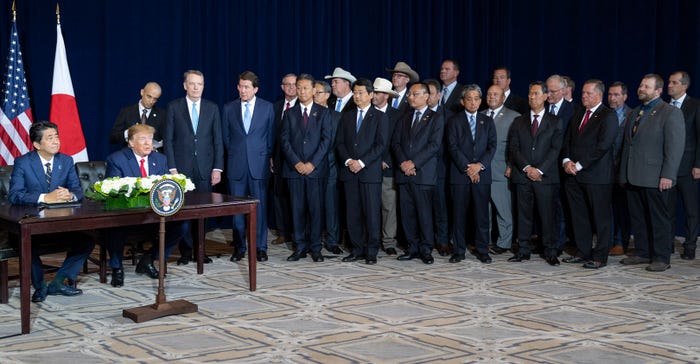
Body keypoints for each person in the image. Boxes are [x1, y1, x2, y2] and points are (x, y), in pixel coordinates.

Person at [9, 121, 95, 303]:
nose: (56, 141)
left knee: (86, 241)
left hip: (58, 225)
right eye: (50, 138)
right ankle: (39, 287)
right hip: (30, 224)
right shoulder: (23, 163)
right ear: (37, 144)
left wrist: (70, 194)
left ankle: (58, 282)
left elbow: (78, 190)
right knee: (27, 245)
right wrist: (44, 197)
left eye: (57, 136)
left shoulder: (66, 160)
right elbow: (15, 195)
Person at [105, 124, 188, 285]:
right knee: (114, 226)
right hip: (127, 215)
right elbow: (113, 191)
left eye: (150, 139)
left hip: (154, 215)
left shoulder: (160, 159)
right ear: (131, 143)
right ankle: (117, 268)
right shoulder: (117, 159)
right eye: (142, 139)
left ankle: (149, 258)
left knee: (182, 225)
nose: (148, 143)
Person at [619, 73, 684, 272]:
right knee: (638, 218)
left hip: (656, 177)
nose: (641, 89)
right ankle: (642, 252)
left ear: (658, 91)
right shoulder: (635, 112)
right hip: (633, 175)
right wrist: (623, 173)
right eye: (640, 85)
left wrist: (669, 175)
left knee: (659, 219)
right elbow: (627, 146)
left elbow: (675, 147)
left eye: (646, 86)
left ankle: (661, 257)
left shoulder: (669, 112)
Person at [164, 70, 223, 263]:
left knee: (202, 212)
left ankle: (201, 250)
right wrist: (172, 167)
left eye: (200, 84)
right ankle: (186, 251)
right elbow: (169, 140)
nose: (196, 87)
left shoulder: (212, 108)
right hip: (181, 169)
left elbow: (217, 141)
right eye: (192, 83)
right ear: (185, 86)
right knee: (183, 212)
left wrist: (217, 168)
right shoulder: (174, 107)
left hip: (205, 168)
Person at [560, 80, 618, 269]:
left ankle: (600, 256)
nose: (583, 96)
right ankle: (583, 251)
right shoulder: (578, 114)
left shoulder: (608, 115)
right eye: (583, 93)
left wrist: (579, 164)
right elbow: (567, 140)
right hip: (574, 176)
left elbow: (603, 146)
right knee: (579, 216)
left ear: (599, 95)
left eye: (588, 93)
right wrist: (566, 161)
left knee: (600, 218)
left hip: (597, 177)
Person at [508, 81, 563, 266]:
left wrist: (539, 170)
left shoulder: (555, 121)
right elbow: (514, 149)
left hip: (545, 178)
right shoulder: (518, 121)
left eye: (536, 94)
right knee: (523, 215)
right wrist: (527, 168)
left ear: (546, 96)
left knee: (547, 216)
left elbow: (555, 149)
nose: (532, 97)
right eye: (530, 94)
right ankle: (523, 250)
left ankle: (550, 251)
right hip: (523, 176)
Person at [222, 71, 275, 263]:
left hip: (259, 166)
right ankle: (239, 247)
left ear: (255, 89)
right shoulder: (228, 108)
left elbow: (270, 138)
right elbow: (226, 138)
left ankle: (260, 247)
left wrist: (265, 157)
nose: (242, 90)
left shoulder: (267, 108)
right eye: (240, 86)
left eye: (246, 87)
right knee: (237, 209)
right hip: (236, 166)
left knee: (259, 209)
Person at [336, 78, 389, 265]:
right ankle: (356, 249)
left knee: (372, 213)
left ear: (371, 94)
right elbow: (340, 143)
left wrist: (362, 162)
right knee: (353, 213)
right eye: (355, 92)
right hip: (350, 172)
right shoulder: (347, 115)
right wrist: (349, 161)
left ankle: (371, 251)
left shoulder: (380, 117)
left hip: (369, 173)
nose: (357, 96)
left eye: (361, 93)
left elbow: (381, 144)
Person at [280, 74, 332, 262]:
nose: (301, 91)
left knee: (316, 210)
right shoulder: (289, 113)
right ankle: (300, 246)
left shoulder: (323, 112)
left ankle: (316, 248)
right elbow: (284, 141)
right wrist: (297, 163)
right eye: (298, 88)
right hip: (294, 170)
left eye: (305, 88)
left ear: (313, 90)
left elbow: (327, 141)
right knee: (297, 210)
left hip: (316, 171)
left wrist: (311, 164)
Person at [392, 82, 445, 264]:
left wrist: (413, 163)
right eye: (410, 95)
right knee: (407, 214)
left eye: (415, 94)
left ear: (426, 96)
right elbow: (396, 144)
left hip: (423, 174)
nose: (410, 97)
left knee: (424, 214)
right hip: (404, 174)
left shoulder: (435, 118)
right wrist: (403, 163)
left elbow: (434, 145)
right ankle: (412, 248)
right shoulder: (404, 117)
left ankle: (426, 249)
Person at [446, 84, 497, 264]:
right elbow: (452, 147)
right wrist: (468, 168)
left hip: (482, 175)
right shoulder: (454, 121)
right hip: (460, 175)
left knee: (482, 214)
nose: (473, 102)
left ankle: (483, 249)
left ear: (480, 101)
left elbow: (492, 147)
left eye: (476, 99)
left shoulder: (488, 121)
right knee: (459, 215)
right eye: (469, 99)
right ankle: (459, 250)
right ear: (462, 101)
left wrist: (479, 166)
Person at [481, 85, 520, 255]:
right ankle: (485, 241)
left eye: (495, 94)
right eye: (489, 94)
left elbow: (515, 145)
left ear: (503, 98)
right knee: (483, 210)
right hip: (481, 171)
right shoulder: (480, 115)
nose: (491, 97)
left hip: (501, 170)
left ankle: (504, 243)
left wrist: (511, 165)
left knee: (503, 210)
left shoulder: (514, 117)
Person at [667, 71, 700, 260]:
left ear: (684, 86)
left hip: (688, 168)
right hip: (668, 169)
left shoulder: (695, 105)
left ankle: (689, 246)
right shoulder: (664, 107)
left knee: (691, 211)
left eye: (674, 82)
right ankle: (667, 244)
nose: (670, 85)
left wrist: (698, 164)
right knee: (667, 210)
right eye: (669, 82)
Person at [371, 77, 401, 256]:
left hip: (387, 168)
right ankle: (371, 240)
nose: (373, 96)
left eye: (377, 93)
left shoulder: (397, 115)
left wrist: (386, 160)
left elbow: (397, 141)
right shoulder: (364, 111)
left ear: (387, 96)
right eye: (373, 92)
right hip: (367, 167)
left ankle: (389, 241)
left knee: (389, 207)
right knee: (369, 206)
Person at [313, 80, 343, 255]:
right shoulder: (308, 114)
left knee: (331, 206)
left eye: (318, 93)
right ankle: (313, 240)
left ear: (326, 95)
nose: (314, 95)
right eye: (313, 92)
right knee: (313, 206)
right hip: (311, 168)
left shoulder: (336, 116)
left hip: (331, 166)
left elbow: (338, 143)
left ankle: (332, 241)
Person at [424, 78, 451, 256]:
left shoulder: (448, 115)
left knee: (440, 206)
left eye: (431, 94)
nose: (427, 98)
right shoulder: (415, 114)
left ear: (439, 95)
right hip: (421, 168)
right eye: (424, 94)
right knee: (423, 207)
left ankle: (442, 240)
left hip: (441, 168)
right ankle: (425, 240)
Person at [271, 73, 298, 247]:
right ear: (282, 87)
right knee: (279, 195)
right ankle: (282, 231)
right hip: (278, 159)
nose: (290, 87)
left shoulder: (303, 107)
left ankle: (297, 233)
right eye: (287, 84)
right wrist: (270, 156)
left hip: (296, 160)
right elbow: (271, 136)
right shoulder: (276, 107)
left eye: (294, 84)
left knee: (295, 198)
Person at [608, 81, 632, 255]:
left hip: (622, 171)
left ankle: (620, 242)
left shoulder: (632, 115)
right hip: (604, 171)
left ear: (624, 96)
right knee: (607, 209)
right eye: (610, 94)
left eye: (616, 95)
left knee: (621, 209)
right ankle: (608, 240)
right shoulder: (603, 114)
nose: (612, 98)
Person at [109, 82, 166, 149]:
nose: (151, 101)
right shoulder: (127, 112)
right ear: (142, 92)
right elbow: (112, 138)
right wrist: (129, 132)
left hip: (152, 156)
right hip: (130, 156)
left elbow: (167, 139)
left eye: (155, 99)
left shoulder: (162, 114)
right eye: (149, 96)